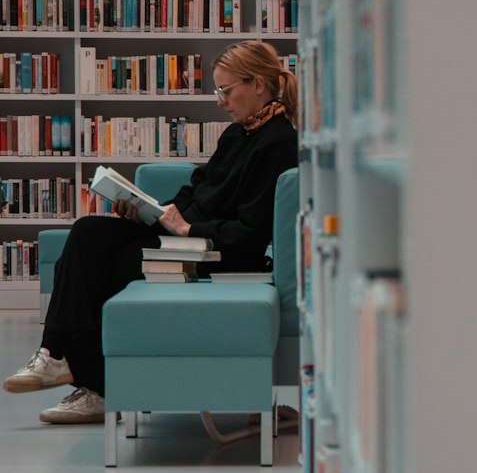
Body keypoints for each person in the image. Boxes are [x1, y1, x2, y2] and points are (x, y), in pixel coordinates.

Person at [4, 39, 299, 424]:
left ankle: (90, 382)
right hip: (186, 239)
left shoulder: (278, 142)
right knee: (88, 232)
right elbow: (198, 190)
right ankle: (58, 358)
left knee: (107, 265)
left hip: (216, 252)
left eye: (226, 91)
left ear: (258, 84)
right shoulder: (236, 134)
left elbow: (250, 231)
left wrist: (189, 226)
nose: (219, 101)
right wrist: (150, 211)